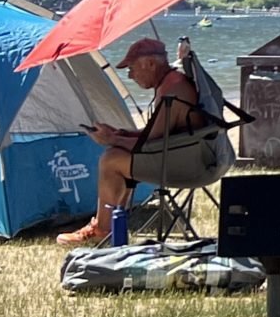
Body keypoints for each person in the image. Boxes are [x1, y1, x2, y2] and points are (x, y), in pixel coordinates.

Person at [61, 36, 213, 244]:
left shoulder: (173, 89)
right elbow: (156, 135)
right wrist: (120, 133)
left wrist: (112, 139)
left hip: (189, 165)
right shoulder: (172, 82)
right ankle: (112, 224)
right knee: (116, 153)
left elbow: (150, 144)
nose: (130, 75)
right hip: (193, 156)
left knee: (111, 160)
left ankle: (103, 229)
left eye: (132, 68)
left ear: (150, 63)